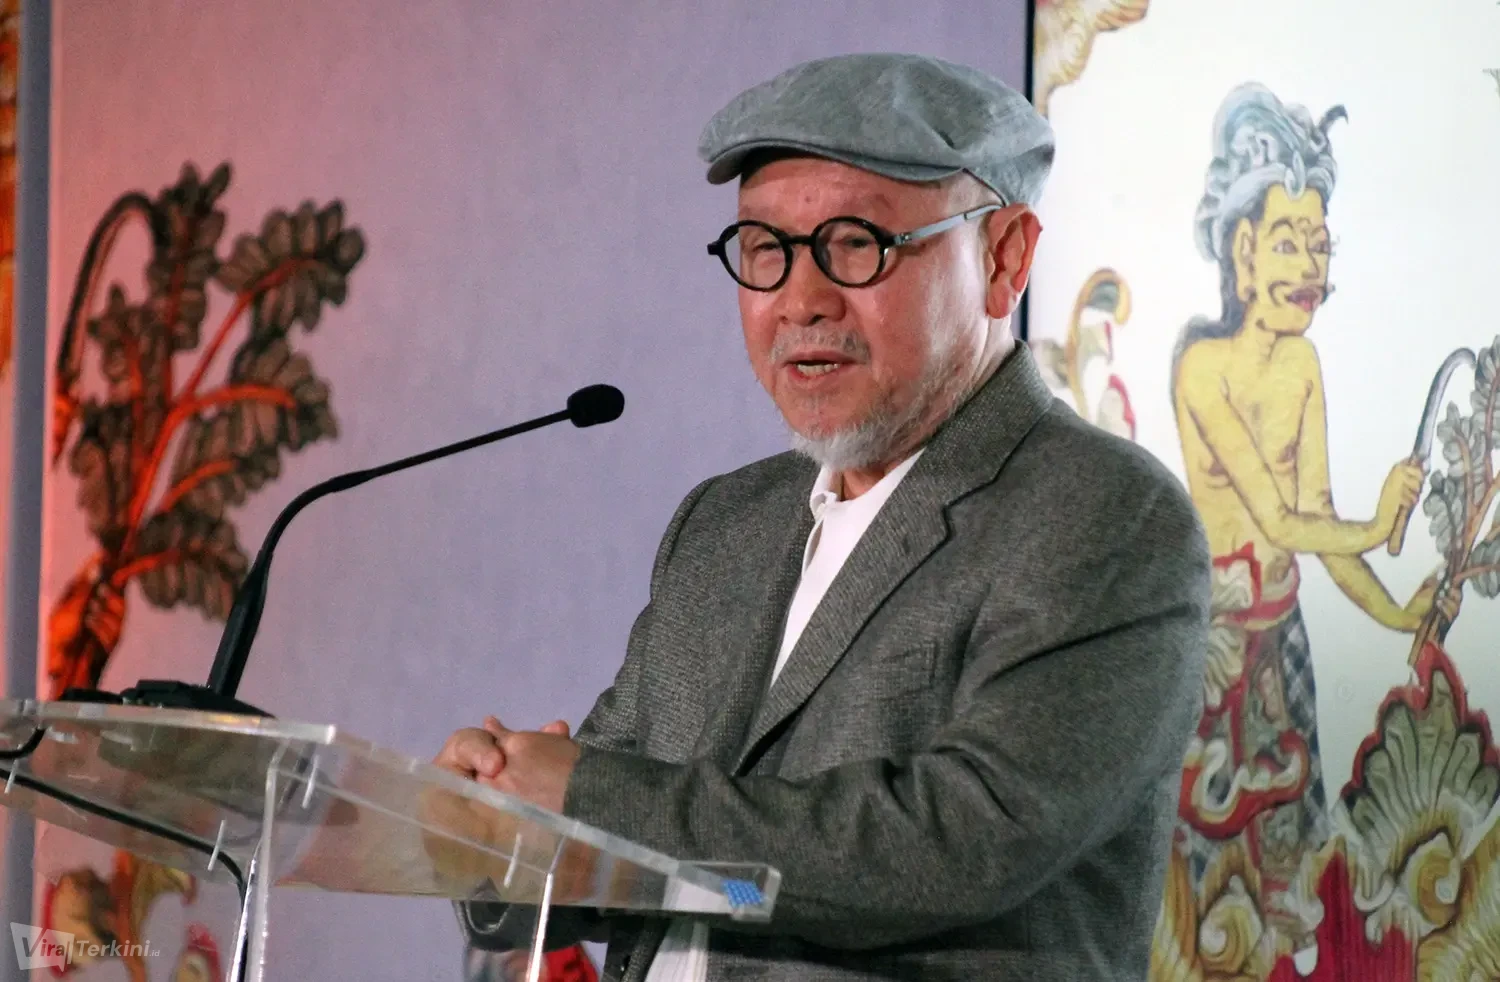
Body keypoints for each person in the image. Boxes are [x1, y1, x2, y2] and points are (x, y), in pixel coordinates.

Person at [433, 52, 1211, 981]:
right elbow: (639, 828)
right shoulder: (725, 524)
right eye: (766, 249)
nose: (801, 301)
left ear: (1005, 258)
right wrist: (497, 821)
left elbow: (954, 847)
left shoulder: (1101, 515)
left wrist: (588, 799)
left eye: (856, 243)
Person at [1167, 83, 1454, 974]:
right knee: (1209, 885)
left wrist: (1398, 614)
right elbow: (1279, 518)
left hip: (1282, 644)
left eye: (1320, 245)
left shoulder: (1303, 364)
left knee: (1295, 879)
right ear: (1243, 250)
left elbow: (1317, 530)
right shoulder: (1202, 369)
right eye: (1289, 240)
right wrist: (1379, 520)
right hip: (1213, 653)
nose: (1309, 267)